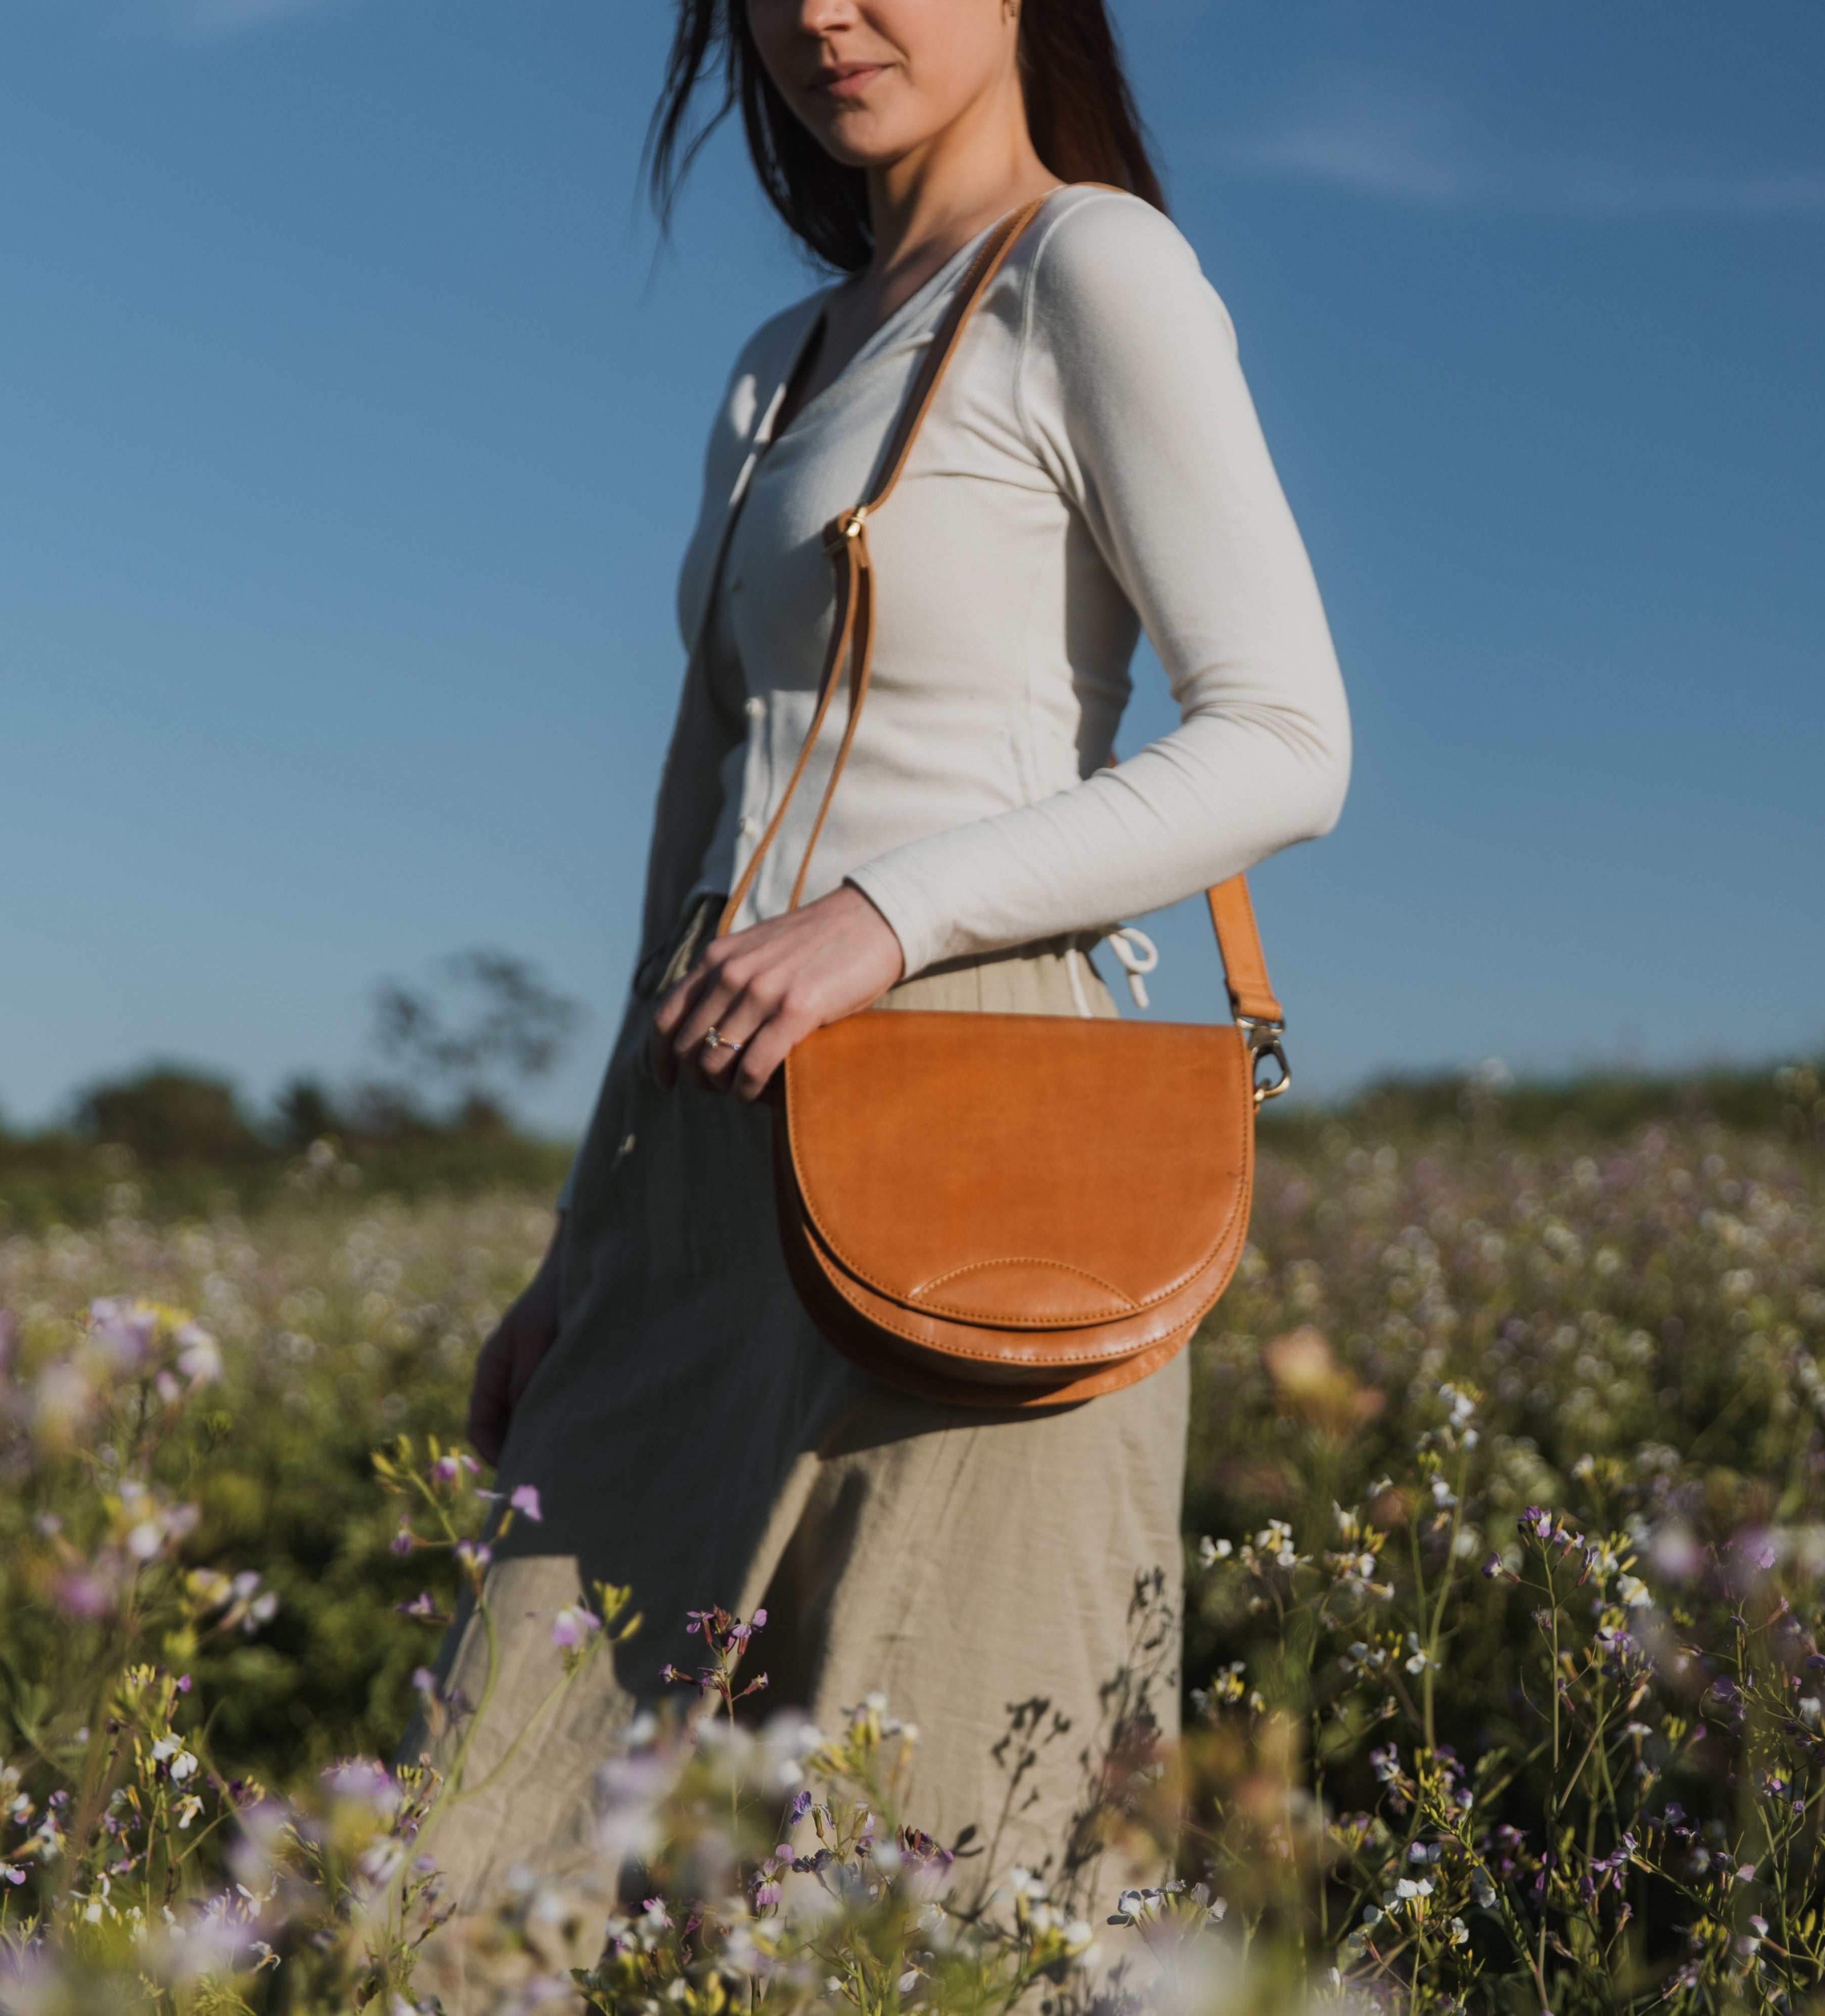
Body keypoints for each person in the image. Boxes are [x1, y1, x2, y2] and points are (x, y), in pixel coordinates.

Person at [412, 0, 1350, 1993]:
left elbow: (1286, 740)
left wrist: (889, 914)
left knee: (930, 1876)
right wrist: (581, 1238)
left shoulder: (1095, 268)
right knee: (484, 1859)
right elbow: (695, 822)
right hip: (701, 1134)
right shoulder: (782, 361)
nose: (822, 8)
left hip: (977, 1118)